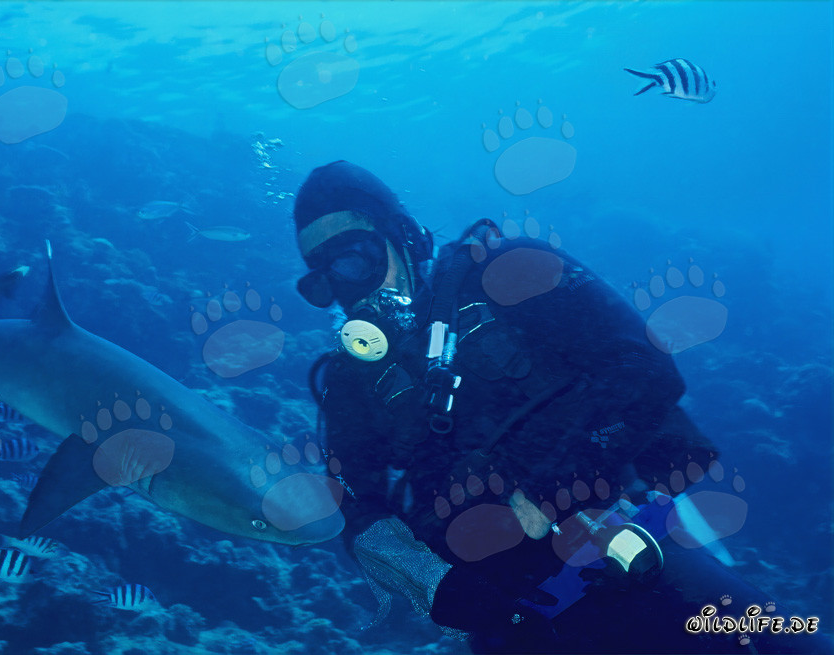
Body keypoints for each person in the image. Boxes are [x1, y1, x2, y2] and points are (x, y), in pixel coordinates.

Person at [291, 160, 830, 654]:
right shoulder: (351, 380)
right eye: (324, 279)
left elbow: (643, 368)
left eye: (354, 260)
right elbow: (356, 501)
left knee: (775, 645)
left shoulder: (507, 273)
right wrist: (433, 584)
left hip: (631, 545)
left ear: (403, 236)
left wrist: (548, 488)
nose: (347, 291)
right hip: (509, 614)